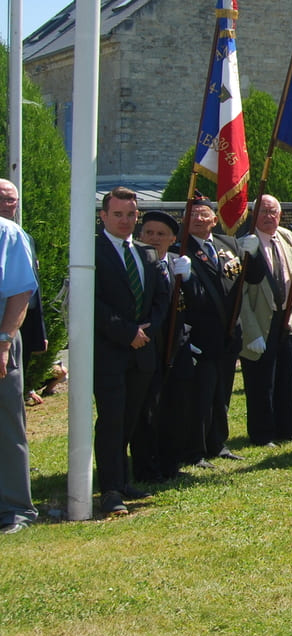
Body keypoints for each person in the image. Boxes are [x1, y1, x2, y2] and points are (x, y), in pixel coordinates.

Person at [93, 187, 169, 515]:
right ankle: (109, 490)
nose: (126, 221)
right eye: (118, 214)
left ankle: (123, 480)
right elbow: (94, 303)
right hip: (110, 352)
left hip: (142, 353)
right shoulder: (91, 251)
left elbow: (161, 299)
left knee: (129, 420)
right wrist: (127, 333)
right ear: (104, 216)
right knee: (111, 421)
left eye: (131, 214)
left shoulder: (146, 253)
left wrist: (145, 331)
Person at [182, 198, 259, 465]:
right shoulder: (181, 248)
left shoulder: (228, 245)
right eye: (193, 216)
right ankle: (194, 449)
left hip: (228, 333)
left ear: (215, 220)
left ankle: (218, 443)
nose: (199, 220)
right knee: (199, 396)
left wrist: (254, 254)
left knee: (221, 394)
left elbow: (252, 277)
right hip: (199, 335)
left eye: (205, 215)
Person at [237, 195, 292, 446]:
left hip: (287, 319)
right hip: (260, 320)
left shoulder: (287, 237)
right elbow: (240, 297)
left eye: (274, 212)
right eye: (263, 212)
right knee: (262, 382)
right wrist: (252, 333)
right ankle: (262, 433)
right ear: (253, 215)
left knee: (287, 378)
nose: (269, 217)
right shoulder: (244, 244)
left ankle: (288, 427)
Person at [131, 210, 194, 482]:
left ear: (172, 239)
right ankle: (146, 467)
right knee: (146, 411)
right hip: (146, 347)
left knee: (176, 407)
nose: (154, 239)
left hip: (177, 347)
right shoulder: (136, 265)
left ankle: (170, 462)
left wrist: (190, 280)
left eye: (161, 234)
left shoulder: (177, 265)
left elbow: (195, 307)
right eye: (149, 233)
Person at [0, 212, 38, 534]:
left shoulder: (7, 233)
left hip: (0, 337)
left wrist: (4, 341)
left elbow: (20, 291)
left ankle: (15, 509)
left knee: (6, 426)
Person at [0, 180, 45, 403]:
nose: (6, 205)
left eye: (11, 200)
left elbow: (29, 291)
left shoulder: (21, 236)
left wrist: (40, 332)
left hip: (16, 326)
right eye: (1, 199)